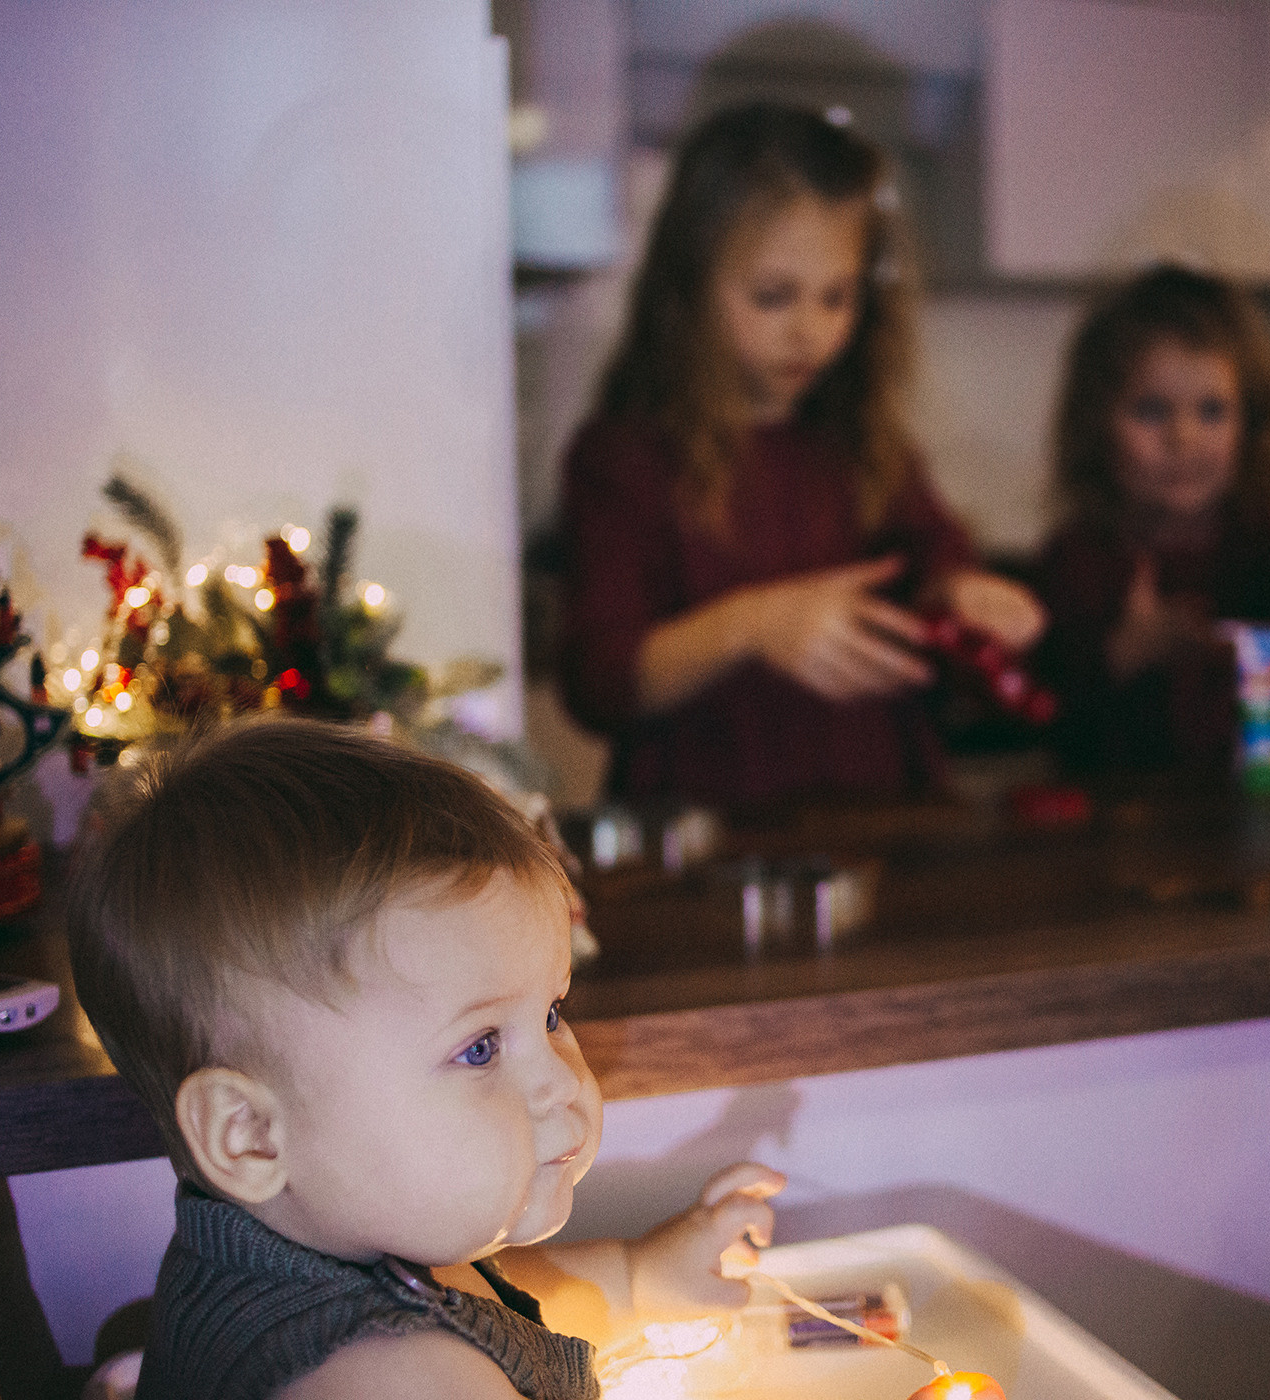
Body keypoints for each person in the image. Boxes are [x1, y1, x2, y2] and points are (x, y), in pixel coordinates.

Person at [65, 718, 784, 1400]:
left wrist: (638, 1279)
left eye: (550, 1014)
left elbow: (484, 1305)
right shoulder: (394, 1379)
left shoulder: (319, 1247)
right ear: (250, 1134)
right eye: (479, 1048)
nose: (561, 1081)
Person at [559, 104, 1044, 807]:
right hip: (708, 830)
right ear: (687, 285)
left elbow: (935, 565)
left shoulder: (864, 444)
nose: (809, 331)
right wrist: (754, 624)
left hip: (878, 816)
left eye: (836, 297)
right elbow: (599, 684)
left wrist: (964, 594)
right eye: (773, 297)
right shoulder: (623, 460)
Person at [1032, 265, 1270, 773]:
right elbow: (1047, 711)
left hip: (1258, 792)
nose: (1183, 438)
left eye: (1211, 411)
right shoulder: (1077, 558)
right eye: (1151, 410)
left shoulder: (1259, 541)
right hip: (1119, 811)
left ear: (1250, 424)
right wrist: (1124, 652)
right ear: (1095, 427)